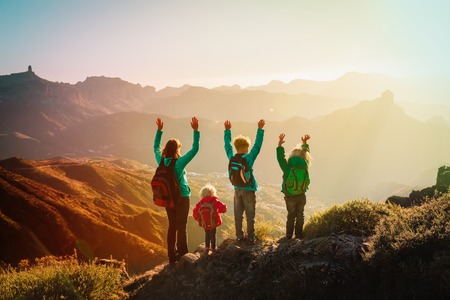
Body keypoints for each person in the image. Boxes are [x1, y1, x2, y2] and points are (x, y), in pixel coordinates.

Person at [154, 117, 200, 263]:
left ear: (166, 149)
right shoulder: (179, 163)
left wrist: (159, 131)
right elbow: (195, 149)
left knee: (172, 226)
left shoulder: (160, 160)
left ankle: (171, 256)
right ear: (177, 149)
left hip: (168, 199)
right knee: (182, 226)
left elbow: (155, 147)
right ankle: (183, 255)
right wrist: (196, 131)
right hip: (182, 197)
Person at [224, 119, 265, 244]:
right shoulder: (248, 158)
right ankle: (251, 237)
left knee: (238, 215)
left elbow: (227, 145)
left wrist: (227, 131)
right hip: (249, 189)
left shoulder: (232, 157)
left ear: (237, 147)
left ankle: (239, 236)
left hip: (237, 189)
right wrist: (260, 129)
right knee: (250, 215)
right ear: (246, 147)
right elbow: (257, 146)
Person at [276, 133, 311, 240]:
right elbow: (306, 153)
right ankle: (299, 235)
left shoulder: (288, 169)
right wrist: (305, 144)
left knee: (291, 216)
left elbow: (280, 159)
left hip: (290, 196)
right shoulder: (305, 166)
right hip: (301, 195)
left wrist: (279, 146)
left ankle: (288, 236)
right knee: (300, 215)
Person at [192, 184, 227, 254]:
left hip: (205, 223)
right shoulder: (215, 201)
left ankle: (206, 248)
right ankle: (213, 248)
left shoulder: (200, 203)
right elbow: (224, 209)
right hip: (213, 222)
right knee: (213, 234)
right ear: (212, 193)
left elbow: (195, 214)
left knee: (207, 234)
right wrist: (217, 212)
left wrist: (200, 220)